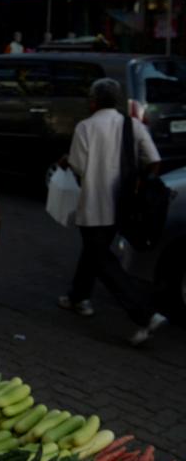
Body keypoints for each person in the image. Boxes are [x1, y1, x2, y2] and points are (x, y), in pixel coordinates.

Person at [59, 78, 167, 346]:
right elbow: (153, 161)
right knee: (94, 252)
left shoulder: (85, 127)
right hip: (123, 206)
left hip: (94, 206)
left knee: (102, 261)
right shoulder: (133, 125)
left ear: (94, 101)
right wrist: (141, 185)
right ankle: (77, 296)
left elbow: (79, 167)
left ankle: (144, 316)